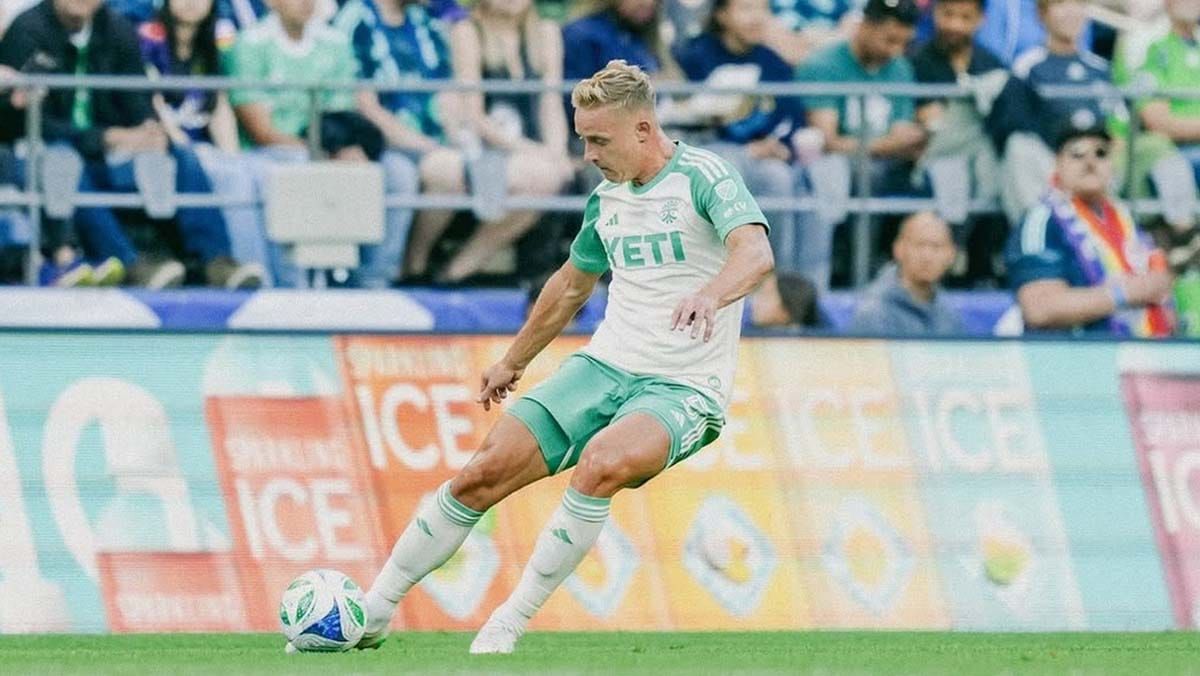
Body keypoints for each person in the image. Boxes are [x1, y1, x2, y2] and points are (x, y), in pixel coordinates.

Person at [344, 60, 774, 655]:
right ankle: (375, 609)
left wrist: (709, 294)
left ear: (644, 130)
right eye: (583, 140)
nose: (589, 154)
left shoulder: (705, 176)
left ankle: (509, 620)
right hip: (603, 367)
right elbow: (573, 284)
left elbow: (754, 254)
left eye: (599, 140)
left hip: (683, 386)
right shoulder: (607, 200)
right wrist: (512, 361)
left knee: (600, 463)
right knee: (481, 474)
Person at [0, 0, 262, 288]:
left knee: (181, 156)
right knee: (63, 162)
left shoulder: (118, 30)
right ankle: (129, 262)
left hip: (111, 151)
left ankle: (217, 261)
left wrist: (148, 131)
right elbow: (17, 121)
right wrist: (103, 138)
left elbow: (137, 100)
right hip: (49, 150)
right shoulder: (25, 30)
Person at [225, 0, 417, 288]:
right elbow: (261, 130)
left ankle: (373, 281)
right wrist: (317, 153)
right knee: (298, 170)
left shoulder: (335, 43)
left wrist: (344, 149)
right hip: (273, 153)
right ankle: (289, 283)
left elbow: (342, 114)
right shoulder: (249, 45)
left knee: (399, 172)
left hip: (329, 146)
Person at [405, 0, 572, 284]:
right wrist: (536, 151)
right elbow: (474, 116)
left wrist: (556, 152)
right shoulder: (467, 30)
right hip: (479, 146)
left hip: (525, 151)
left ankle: (457, 270)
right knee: (444, 173)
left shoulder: (546, 32)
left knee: (549, 176)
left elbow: (550, 103)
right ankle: (414, 265)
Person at [140, 0, 272, 283]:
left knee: (249, 171)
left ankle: (267, 274)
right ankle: (241, 266)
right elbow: (153, 104)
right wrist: (184, 146)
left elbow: (219, 105)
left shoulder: (215, 42)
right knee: (229, 178)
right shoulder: (148, 38)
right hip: (170, 145)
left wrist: (232, 154)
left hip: (206, 146)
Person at [672, 0, 806, 278]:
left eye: (762, 9)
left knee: (779, 177)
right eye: (746, 9)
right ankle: (717, 273)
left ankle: (772, 278)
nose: (756, 18)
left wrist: (781, 147)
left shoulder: (773, 62)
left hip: (762, 154)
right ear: (722, 15)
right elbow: (684, 114)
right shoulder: (693, 56)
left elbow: (790, 118)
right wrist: (745, 147)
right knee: (728, 166)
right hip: (708, 150)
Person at [1005, 125, 1175, 337]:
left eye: (1101, 153)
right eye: (1077, 154)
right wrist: (1126, 293)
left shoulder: (1125, 219)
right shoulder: (1041, 220)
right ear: (1057, 164)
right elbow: (1039, 308)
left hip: (1141, 359)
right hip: (1073, 361)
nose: (1090, 162)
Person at [849, 210, 963, 335]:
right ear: (898, 249)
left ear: (951, 254)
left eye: (936, 247)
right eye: (920, 245)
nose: (927, 256)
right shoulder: (874, 313)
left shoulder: (949, 314)